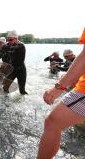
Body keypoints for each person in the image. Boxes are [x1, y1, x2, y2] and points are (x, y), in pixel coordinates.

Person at [37, 28, 85, 159]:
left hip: (80, 87)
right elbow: (49, 61)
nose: (65, 58)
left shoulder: (69, 59)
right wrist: (53, 59)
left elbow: (81, 59)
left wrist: (59, 86)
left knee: (53, 122)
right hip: (75, 83)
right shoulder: (61, 59)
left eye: (66, 56)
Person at [1, 30, 28, 95]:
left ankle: (27, 102)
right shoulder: (9, 45)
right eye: (8, 40)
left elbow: (10, 49)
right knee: (5, 88)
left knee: (22, 91)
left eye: (10, 40)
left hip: (21, 71)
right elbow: (5, 54)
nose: (8, 41)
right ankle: (6, 102)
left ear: (16, 38)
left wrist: (3, 46)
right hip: (12, 70)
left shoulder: (21, 46)